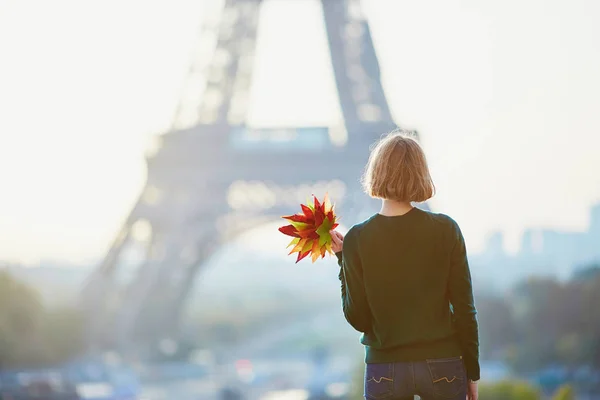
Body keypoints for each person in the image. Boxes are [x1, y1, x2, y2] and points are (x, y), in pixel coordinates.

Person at [330, 131, 480, 400]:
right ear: (420, 174)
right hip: (443, 363)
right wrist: (472, 372)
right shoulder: (446, 230)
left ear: (376, 173)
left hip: (384, 367)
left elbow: (359, 319)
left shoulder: (357, 239)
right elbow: (465, 310)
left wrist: (345, 260)